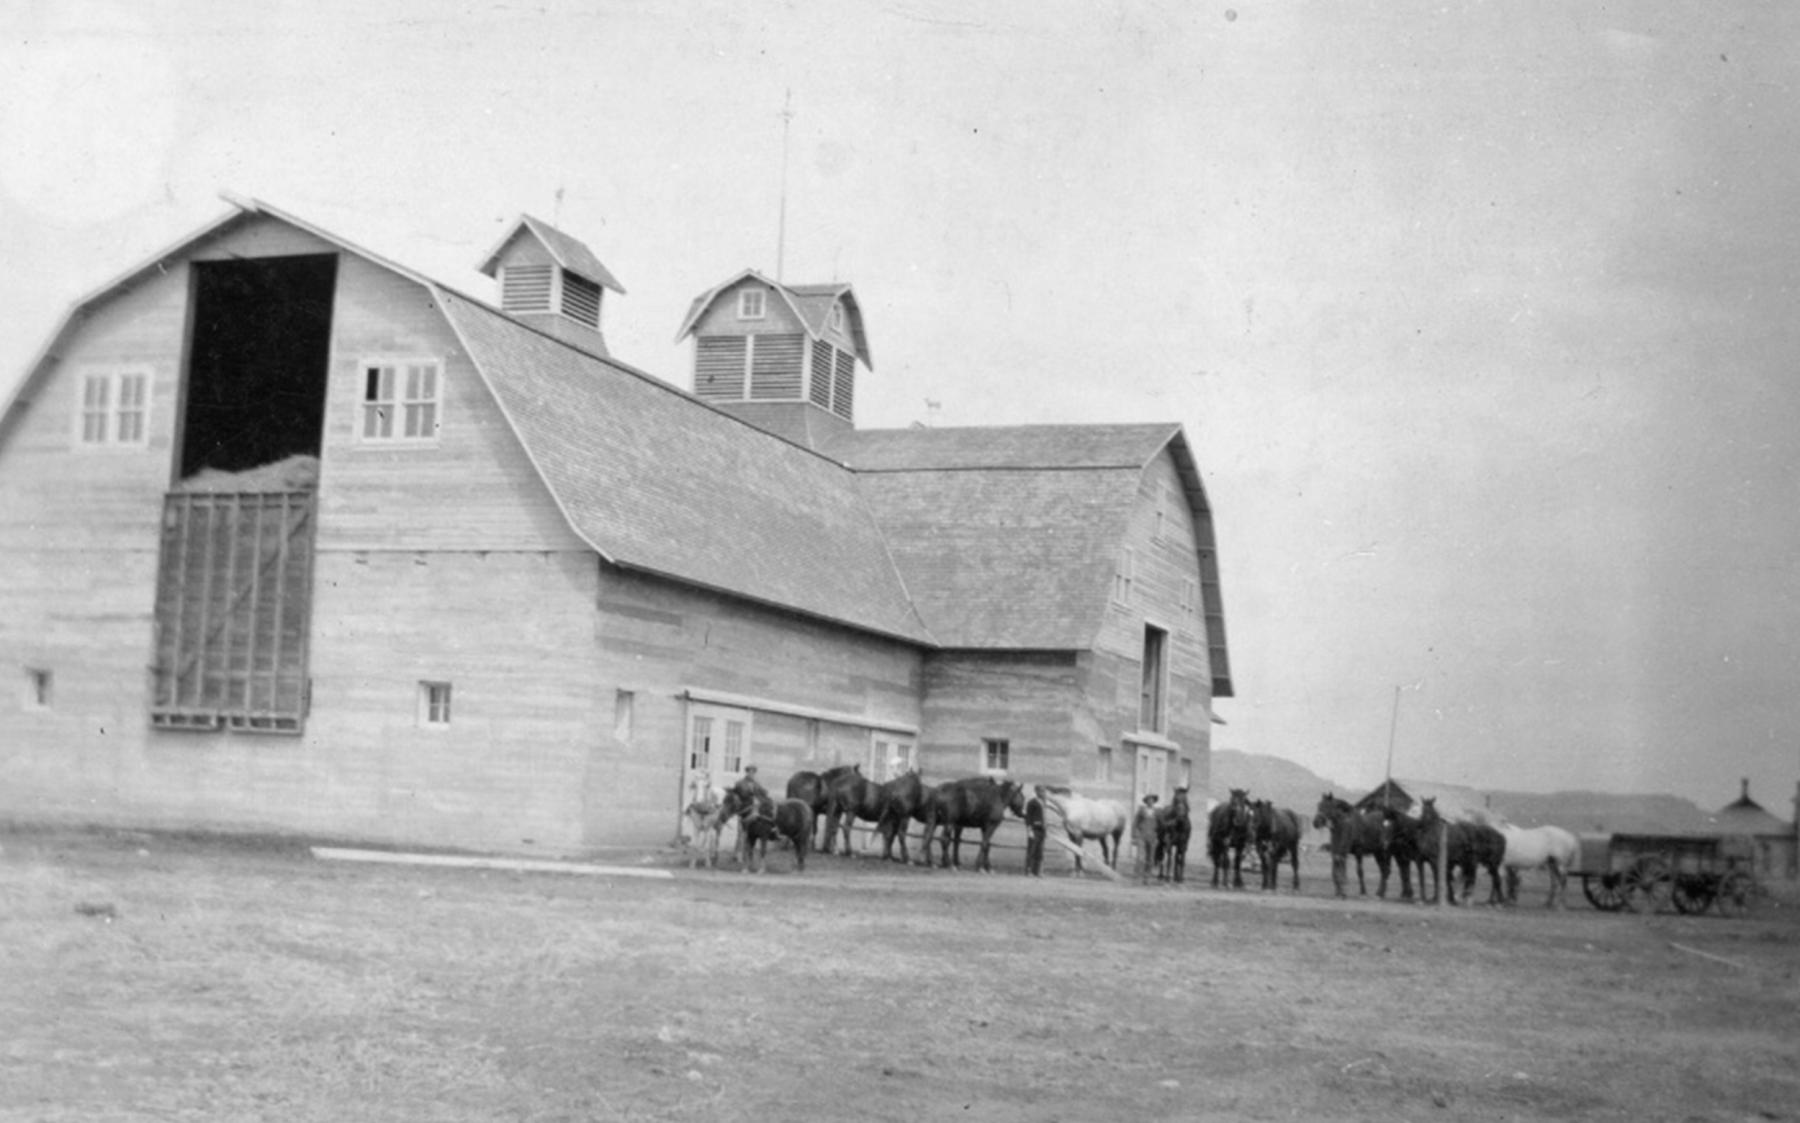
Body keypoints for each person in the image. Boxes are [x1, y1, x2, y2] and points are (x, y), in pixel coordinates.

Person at [1133, 794, 1160, 884]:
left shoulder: (1157, 812)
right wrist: (1134, 835)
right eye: (1148, 800)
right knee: (1140, 857)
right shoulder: (1141, 810)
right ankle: (1137, 876)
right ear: (1146, 801)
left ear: (1154, 801)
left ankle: (1146, 877)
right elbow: (1135, 823)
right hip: (1142, 836)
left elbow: (1160, 826)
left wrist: (1158, 837)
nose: (1150, 801)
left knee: (1151, 858)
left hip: (1152, 837)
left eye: (1152, 800)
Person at [1024, 796, 1047, 877]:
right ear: (1037, 791)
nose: (1043, 793)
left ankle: (1038, 871)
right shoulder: (1031, 802)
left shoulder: (1043, 802)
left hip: (1042, 830)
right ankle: (1028, 870)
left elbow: (1044, 817)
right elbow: (1028, 817)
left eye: (1043, 791)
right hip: (1034, 830)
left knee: (1040, 852)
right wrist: (1029, 830)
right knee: (1031, 851)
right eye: (1041, 791)